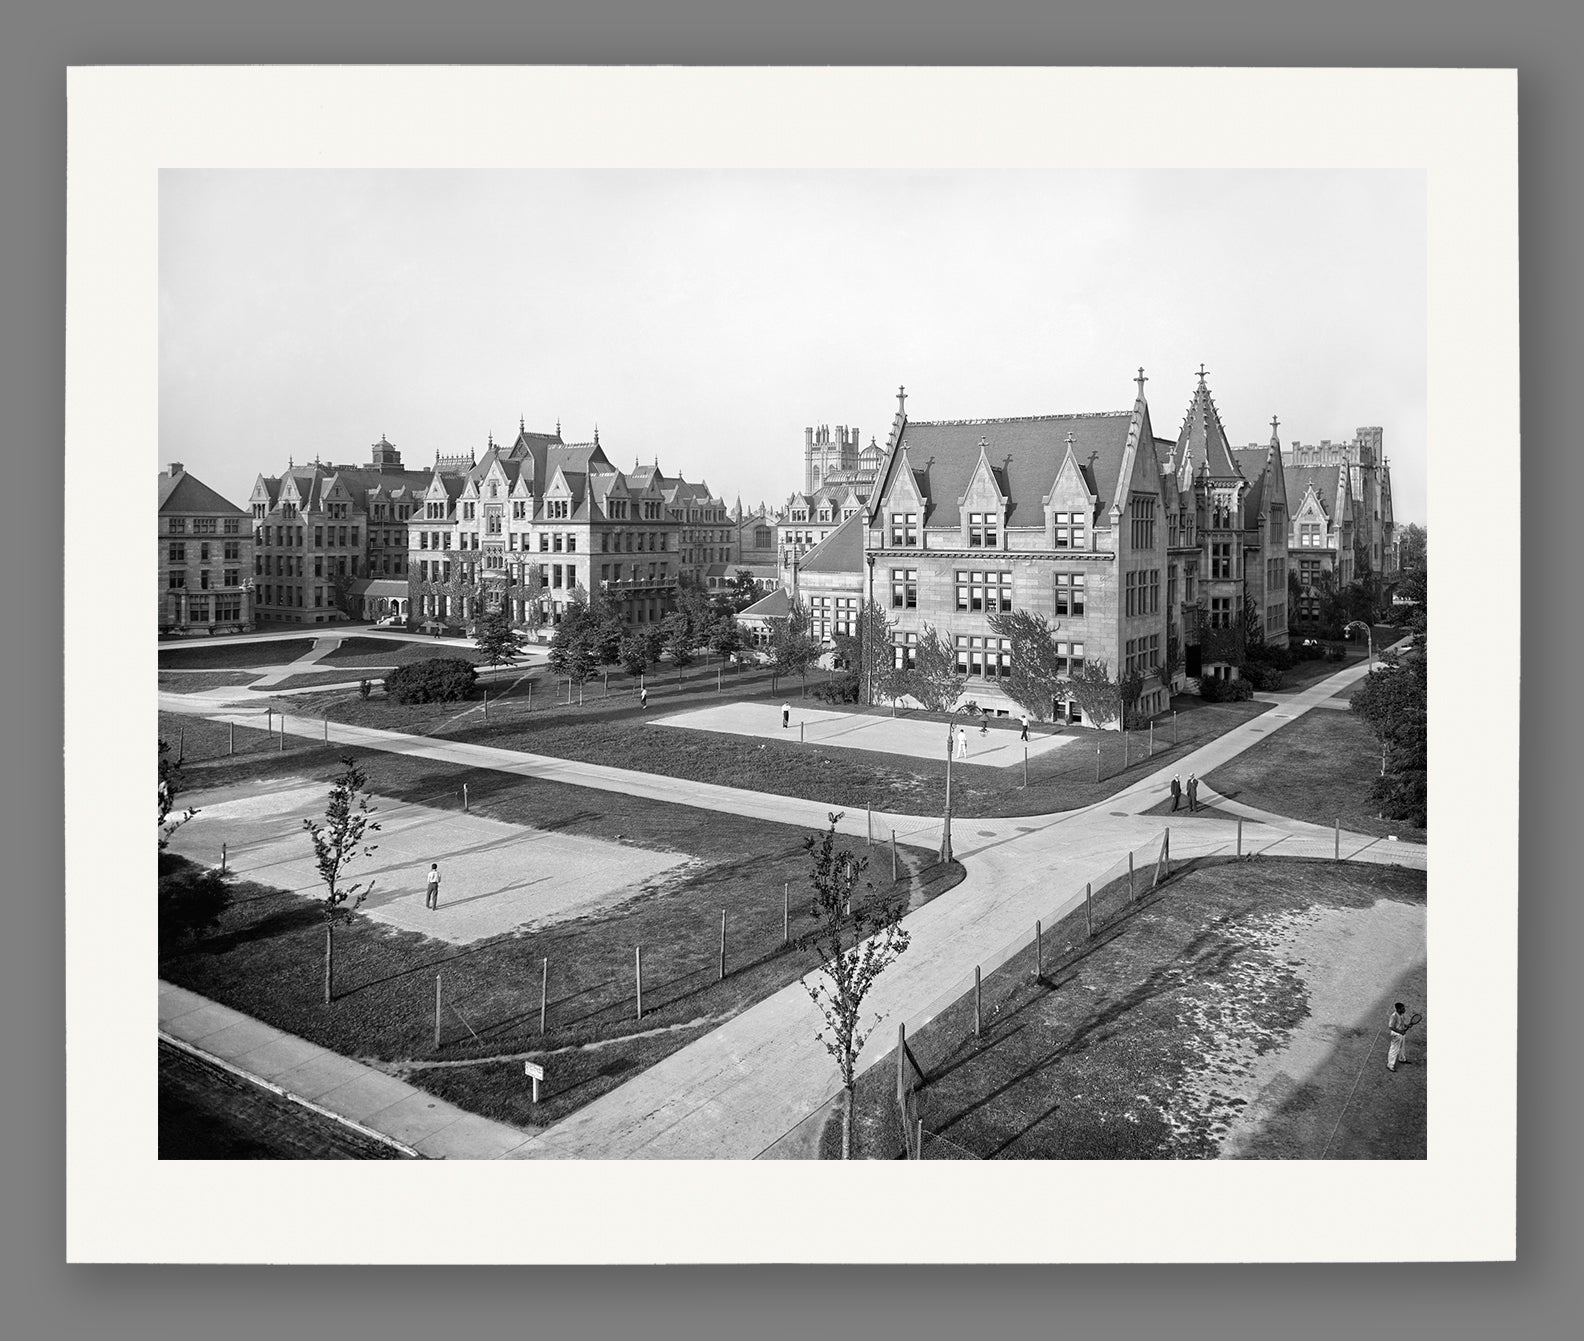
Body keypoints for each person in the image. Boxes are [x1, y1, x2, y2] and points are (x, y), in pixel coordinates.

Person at [1387, 1002, 1421, 1071]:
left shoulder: (1401, 1015)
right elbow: (1391, 1027)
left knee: (1402, 1047)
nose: (1404, 1009)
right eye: (1403, 1008)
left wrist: (1407, 1025)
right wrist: (1400, 1032)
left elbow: (1401, 1024)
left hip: (1401, 1034)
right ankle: (1390, 1065)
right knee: (1394, 1049)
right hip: (1396, 1034)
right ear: (1399, 1009)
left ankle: (1402, 1059)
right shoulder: (1394, 1016)